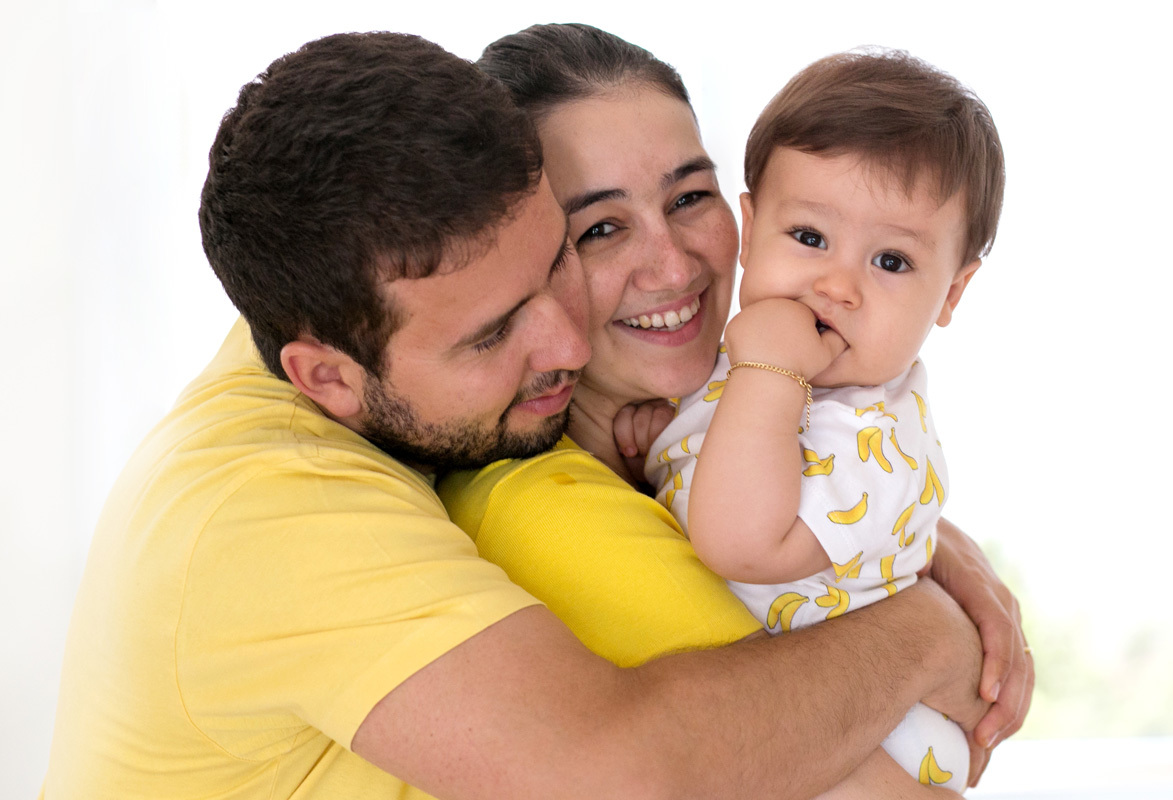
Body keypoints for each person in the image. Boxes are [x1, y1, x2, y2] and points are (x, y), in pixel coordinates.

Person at [40, 31, 991, 800]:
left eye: (552, 262)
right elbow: (639, 772)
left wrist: (923, 538)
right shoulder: (298, 508)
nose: (567, 347)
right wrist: (931, 630)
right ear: (324, 376)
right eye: (599, 230)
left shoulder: (346, 311)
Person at [441, 23, 1032, 798]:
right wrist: (932, 626)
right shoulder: (546, 511)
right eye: (601, 228)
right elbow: (739, 538)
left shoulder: (798, 393)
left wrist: (941, 551)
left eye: (689, 197)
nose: (674, 264)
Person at [643, 49, 1006, 793]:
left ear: (953, 292)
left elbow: (739, 540)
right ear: (750, 229)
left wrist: (768, 373)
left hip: (874, 748)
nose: (837, 285)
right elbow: (701, 449)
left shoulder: (870, 438)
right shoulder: (748, 367)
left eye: (893, 262)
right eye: (809, 238)